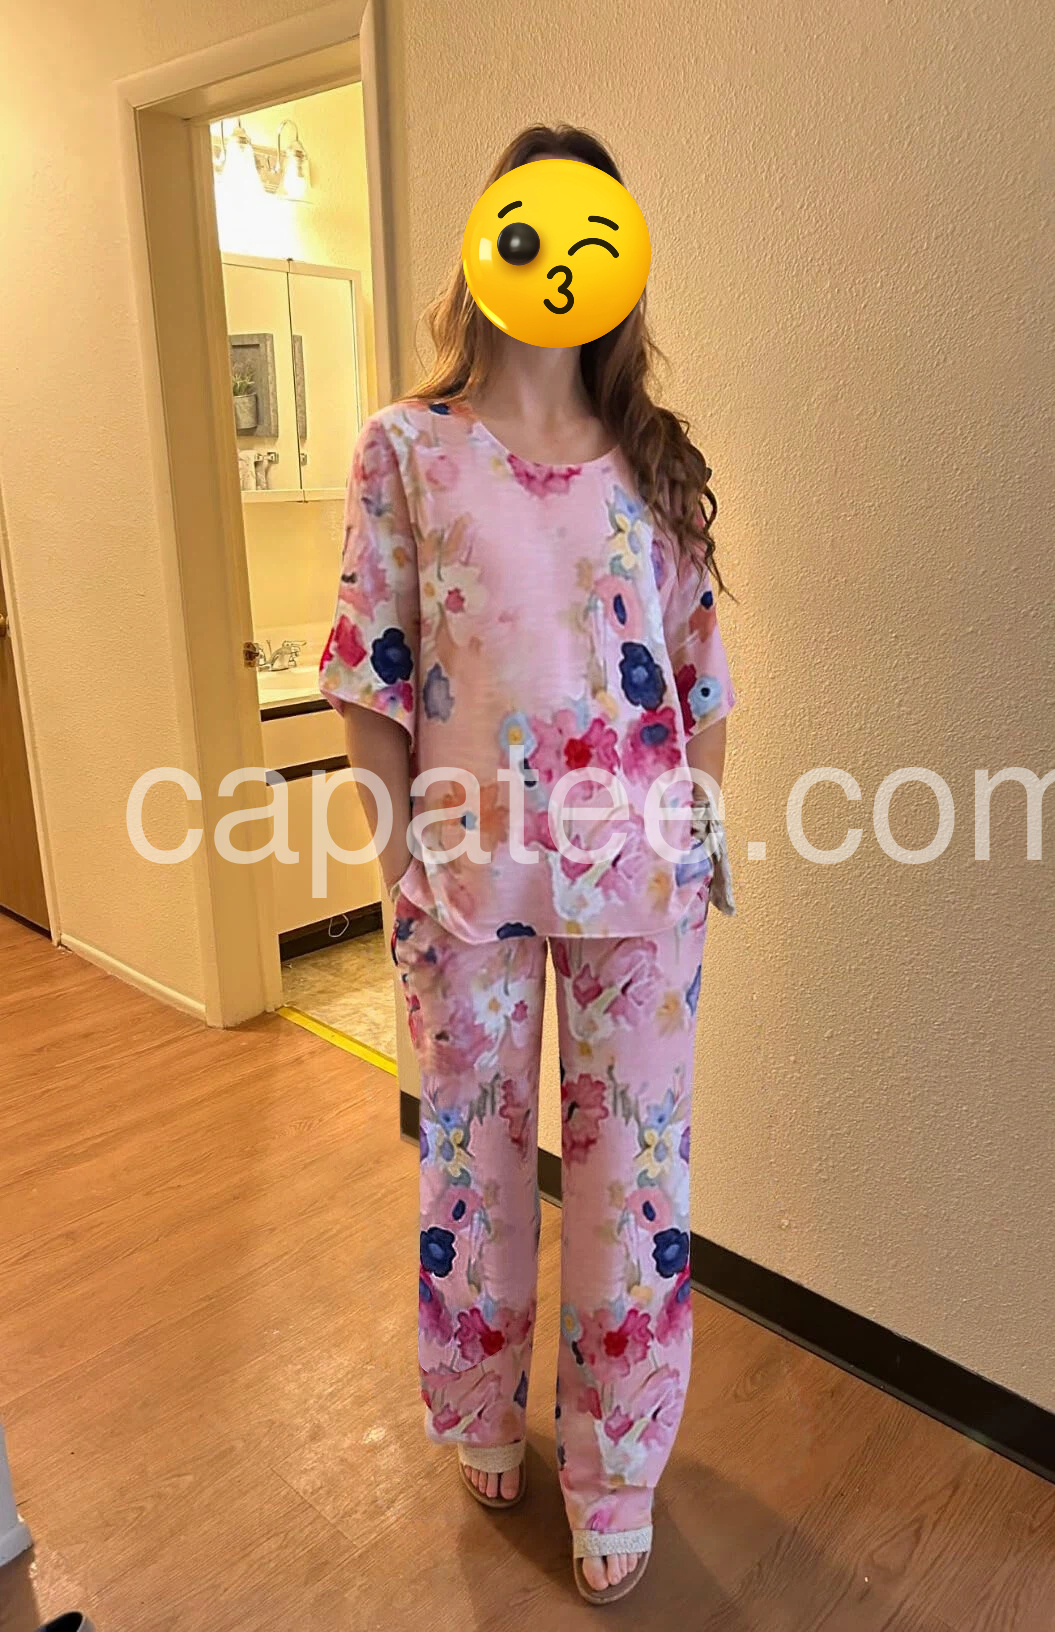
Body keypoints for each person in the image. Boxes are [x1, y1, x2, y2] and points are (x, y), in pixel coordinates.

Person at [318, 123, 736, 1606]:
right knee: (472, 1164)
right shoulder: (407, 450)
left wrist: (697, 843)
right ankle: (479, 1408)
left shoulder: (656, 461)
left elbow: (702, 679)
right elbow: (370, 670)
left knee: (635, 1183)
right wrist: (400, 868)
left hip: (641, 891)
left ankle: (617, 1469)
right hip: (465, 890)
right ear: (488, 243)